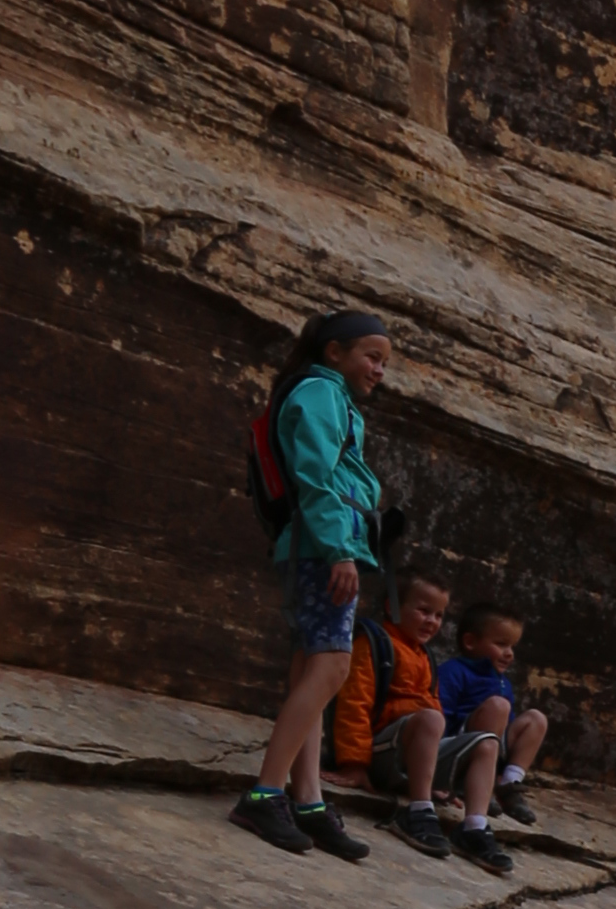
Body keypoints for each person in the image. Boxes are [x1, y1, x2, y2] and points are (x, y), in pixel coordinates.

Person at [237, 305, 394, 862]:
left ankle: (306, 798)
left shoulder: (332, 397)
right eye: (372, 357)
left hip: (318, 548)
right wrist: (341, 550)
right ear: (336, 353)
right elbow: (316, 478)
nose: (380, 369)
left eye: (384, 362)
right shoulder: (320, 394)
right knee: (332, 665)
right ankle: (264, 793)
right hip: (320, 550)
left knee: (313, 666)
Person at [330, 568, 464, 861]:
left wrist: (441, 779)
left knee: (486, 742)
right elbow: (355, 702)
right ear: (393, 607)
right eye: (424, 611)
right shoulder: (376, 644)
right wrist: (353, 763)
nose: (432, 622)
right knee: (431, 718)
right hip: (378, 752)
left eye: (439, 615)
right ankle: (418, 811)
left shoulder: (425, 656)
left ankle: (475, 827)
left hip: (407, 756)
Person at [433, 600, 554, 840]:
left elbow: (504, 728)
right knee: (499, 707)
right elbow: (440, 713)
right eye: (501, 644)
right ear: (470, 642)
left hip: (493, 747)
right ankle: (475, 785)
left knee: (536, 719)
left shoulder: (503, 682)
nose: (509, 653)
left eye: (512, 646)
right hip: (463, 745)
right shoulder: (454, 671)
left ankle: (508, 784)